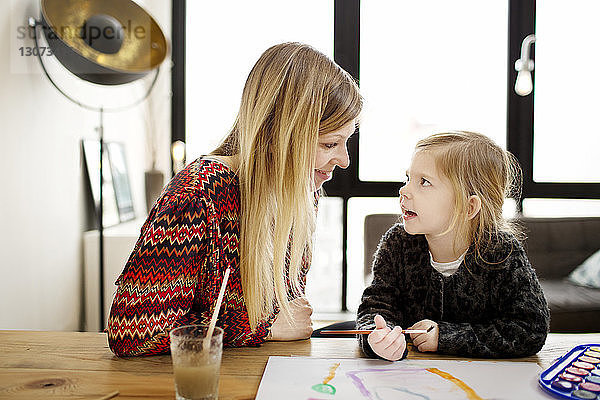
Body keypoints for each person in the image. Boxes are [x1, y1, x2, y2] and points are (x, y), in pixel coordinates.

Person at [107, 42, 362, 356]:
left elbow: (289, 315)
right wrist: (260, 326)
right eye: (329, 144)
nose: (345, 160)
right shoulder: (197, 195)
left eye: (345, 141)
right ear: (279, 134)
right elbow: (131, 333)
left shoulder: (300, 195)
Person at [356, 131, 550, 361]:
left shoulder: (503, 253)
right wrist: (376, 338)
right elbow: (373, 310)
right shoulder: (396, 244)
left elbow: (530, 330)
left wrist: (446, 337)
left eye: (424, 182)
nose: (404, 190)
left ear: (469, 207)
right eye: (408, 178)